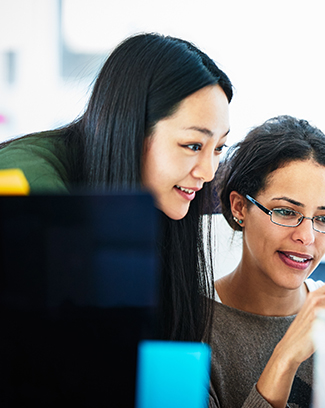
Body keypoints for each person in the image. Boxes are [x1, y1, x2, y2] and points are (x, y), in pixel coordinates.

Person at [0, 32, 233, 342]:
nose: (207, 172)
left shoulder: (151, 192)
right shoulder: (30, 188)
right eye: (193, 145)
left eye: (219, 148)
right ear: (132, 128)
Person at [209, 115, 325, 408]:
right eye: (286, 212)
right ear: (239, 207)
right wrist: (286, 357)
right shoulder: (191, 329)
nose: (307, 237)